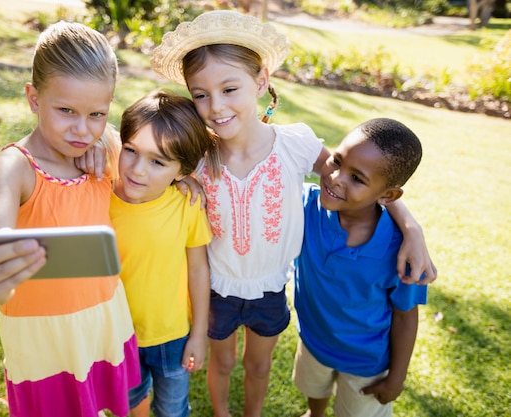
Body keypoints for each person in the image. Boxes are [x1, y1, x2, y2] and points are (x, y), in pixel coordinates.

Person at [150, 10, 436, 417]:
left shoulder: (294, 144)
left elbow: (353, 183)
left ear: (261, 82)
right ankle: (221, 413)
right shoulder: (198, 155)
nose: (215, 107)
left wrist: (411, 226)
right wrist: (182, 180)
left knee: (258, 364)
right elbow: (147, 168)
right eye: (200, 94)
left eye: (230, 88)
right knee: (224, 362)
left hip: (269, 288)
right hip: (215, 285)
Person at [0, 21, 140, 417]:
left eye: (97, 114)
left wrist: (108, 142)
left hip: (102, 314)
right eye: (66, 110)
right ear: (34, 98)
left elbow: (150, 174)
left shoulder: (103, 147)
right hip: (44, 335)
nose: (81, 129)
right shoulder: (14, 167)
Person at [292, 118, 428, 417]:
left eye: (357, 178)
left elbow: (406, 318)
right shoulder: (303, 206)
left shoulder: (400, 250)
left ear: (387, 196)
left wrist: (396, 379)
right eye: (336, 161)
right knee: (314, 391)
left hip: (366, 364)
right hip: (313, 340)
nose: (336, 178)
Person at [109, 90, 219, 417]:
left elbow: (199, 271)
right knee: (129, 406)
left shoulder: (186, 204)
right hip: (117, 336)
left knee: (172, 410)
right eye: (130, 150)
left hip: (173, 337)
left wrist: (199, 334)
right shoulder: (98, 197)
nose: (138, 170)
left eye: (157, 161)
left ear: (183, 170)